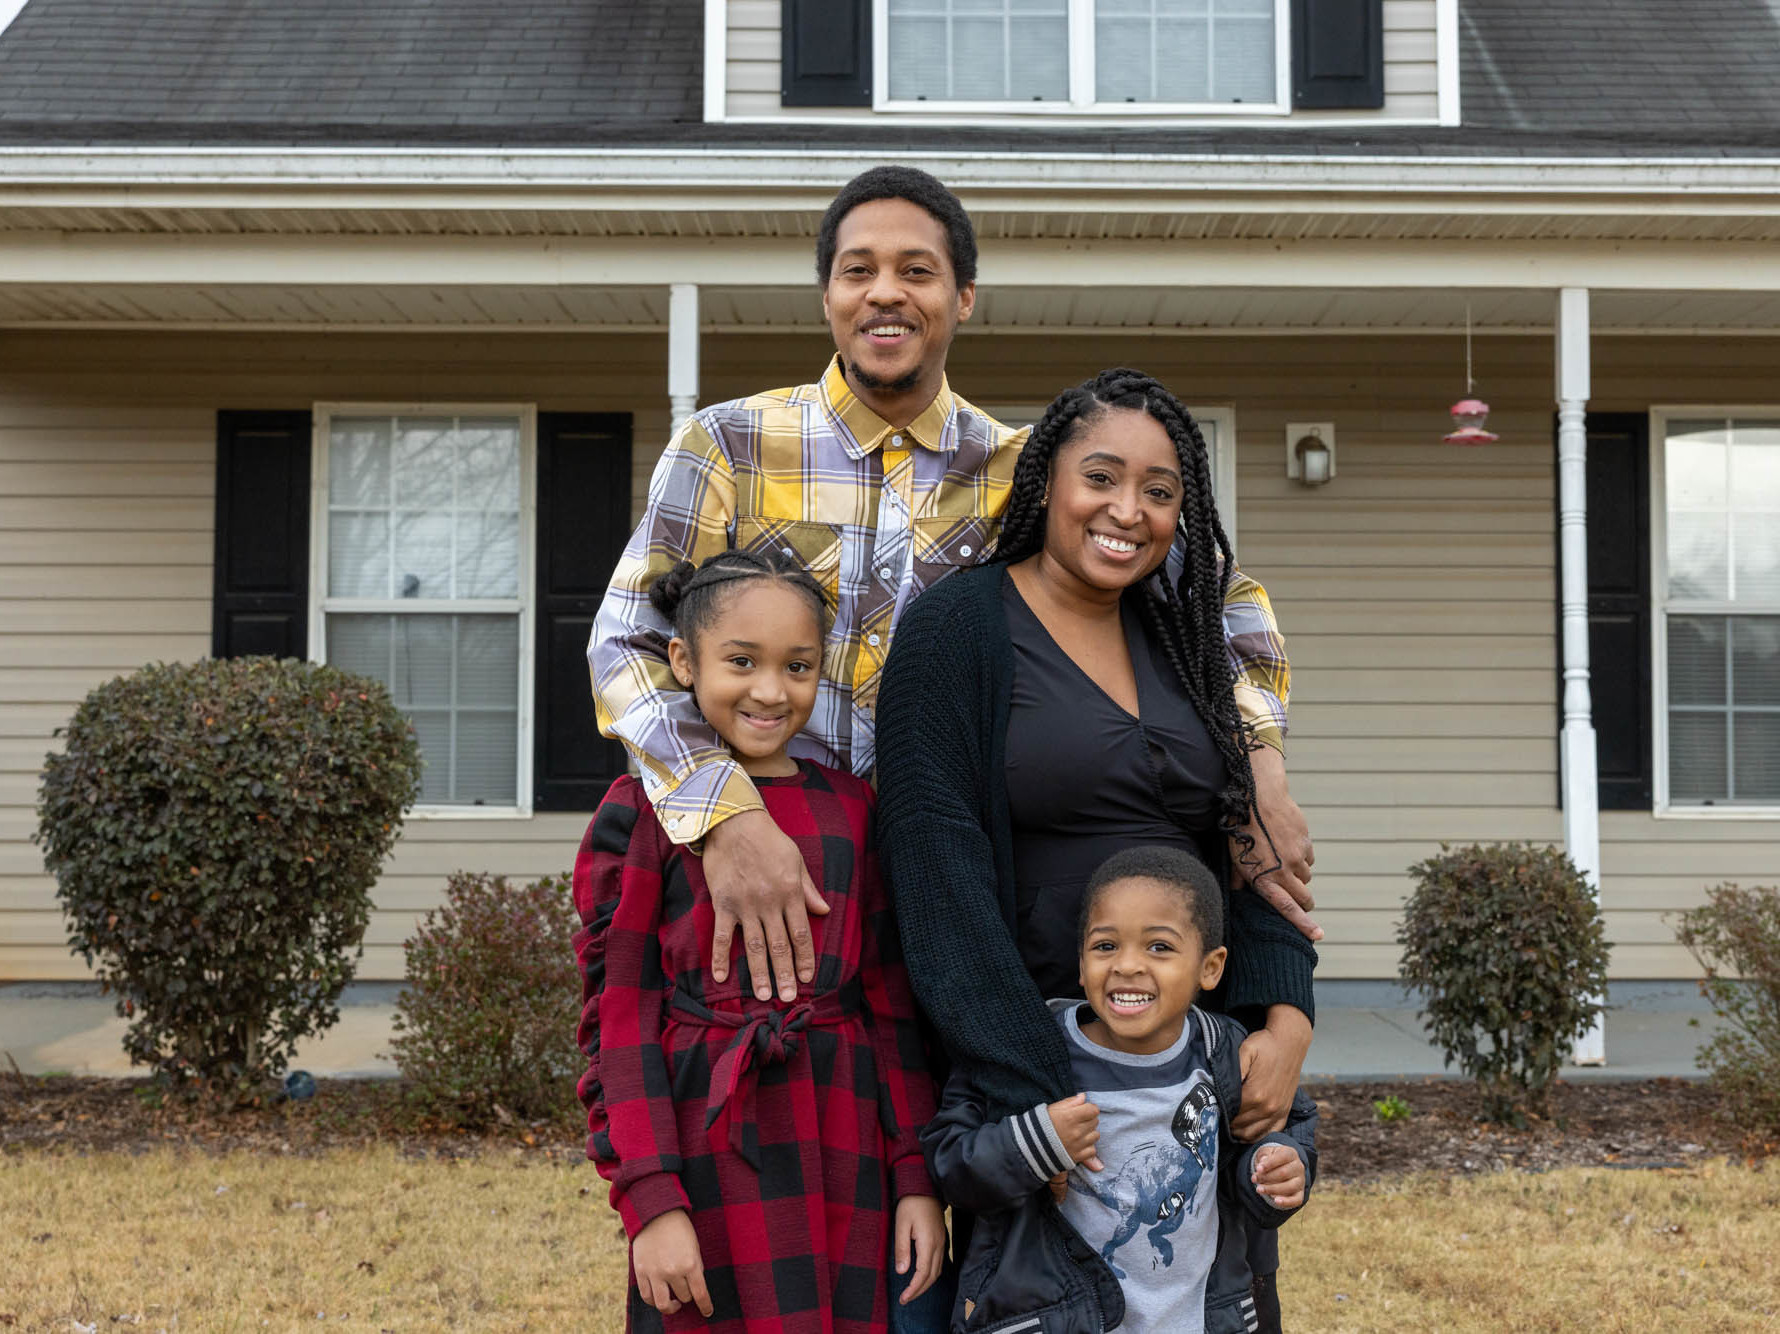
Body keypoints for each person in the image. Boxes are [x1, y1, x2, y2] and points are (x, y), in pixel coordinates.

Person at [873, 370, 1318, 1326]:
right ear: (1044, 484)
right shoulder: (956, 633)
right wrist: (1054, 1091)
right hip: (1035, 1093)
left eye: (1161, 492)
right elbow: (937, 888)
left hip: (1186, 1063)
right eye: (1102, 478)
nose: (1130, 511)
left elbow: (1239, 850)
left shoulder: (1185, 638)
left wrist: (1286, 1020)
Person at [572, 549, 945, 1332]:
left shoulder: (854, 809)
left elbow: (889, 1006)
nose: (771, 691)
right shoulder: (647, 810)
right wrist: (651, 1198)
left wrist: (914, 1172)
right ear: (682, 660)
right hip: (704, 1131)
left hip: (844, 1131)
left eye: (798, 666)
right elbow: (622, 1018)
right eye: (741, 661)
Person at [923, 846, 1318, 1334]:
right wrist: (1037, 1143)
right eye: (1106, 946)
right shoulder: (1027, 1049)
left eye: (1159, 947)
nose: (1126, 965)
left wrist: (1279, 1165)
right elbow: (951, 1161)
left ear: (1210, 968)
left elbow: (1283, 1131)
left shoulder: (1222, 1054)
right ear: (1081, 957)